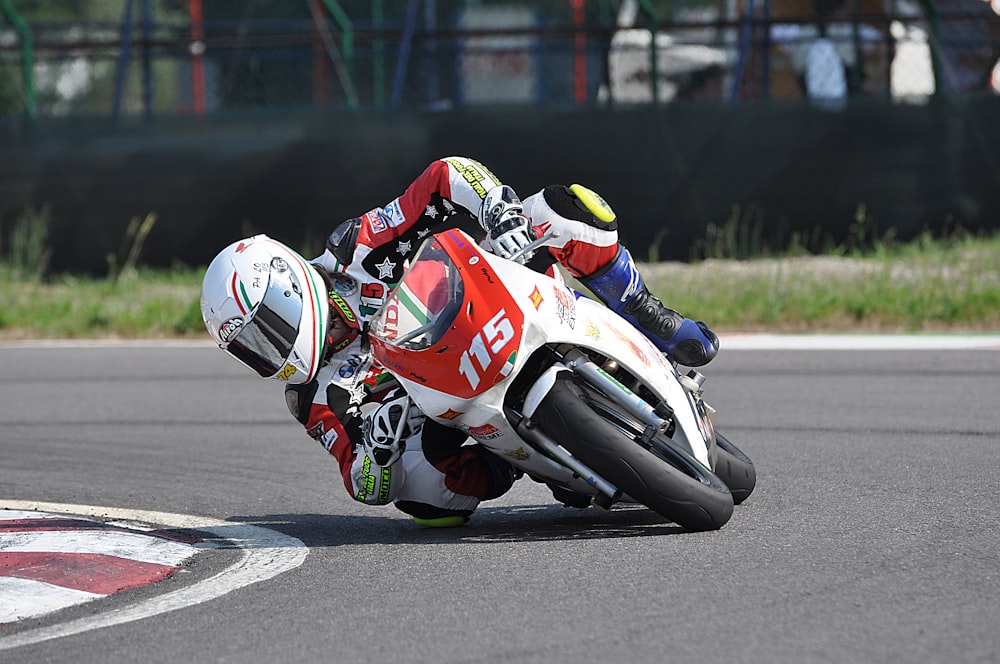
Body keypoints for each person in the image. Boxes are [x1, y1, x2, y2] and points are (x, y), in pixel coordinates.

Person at [200, 156, 719, 526]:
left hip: (498, 295)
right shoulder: (311, 397)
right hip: (467, 402)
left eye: (266, 327)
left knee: (565, 208)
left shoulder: (357, 249)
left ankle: (649, 315)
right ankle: (525, 461)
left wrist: (499, 212)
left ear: (289, 284)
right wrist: (377, 450)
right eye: (251, 348)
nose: (270, 351)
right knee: (422, 500)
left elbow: (443, 176)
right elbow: (362, 484)